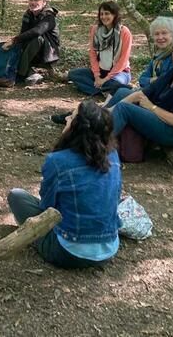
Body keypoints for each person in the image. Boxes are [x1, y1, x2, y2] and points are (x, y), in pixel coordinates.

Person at [7, 100, 122, 269]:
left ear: (75, 127)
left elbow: (48, 207)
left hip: (68, 252)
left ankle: (42, 242)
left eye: (71, 117)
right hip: (110, 247)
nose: (67, 119)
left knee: (16, 196)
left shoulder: (58, 161)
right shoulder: (113, 156)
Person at [68, 0, 132, 96]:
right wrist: (97, 76)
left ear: (115, 15)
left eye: (107, 14)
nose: (103, 17)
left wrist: (106, 79)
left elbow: (123, 60)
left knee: (114, 83)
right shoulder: (95, 29)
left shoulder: (124, 32)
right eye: (101, 14)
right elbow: (93, 53)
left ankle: (102, 89)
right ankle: (104, 91)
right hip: (101, 71)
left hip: (119, 73)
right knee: (73, 74)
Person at [1, 0, 60, 85]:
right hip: (30, 50)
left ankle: (20, 73)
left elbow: (37, 31)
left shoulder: (49, 16)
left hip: (48, 53)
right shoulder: (28, 14)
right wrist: (13, 44)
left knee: (37, 38)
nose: (33, 2)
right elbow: (23, 33)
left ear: (44, 2)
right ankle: (13, 70)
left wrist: (14, 40)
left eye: (36, 0)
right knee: (13, 44)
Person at [138, 16, 173, 90]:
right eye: (156, 34)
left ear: (172, 34)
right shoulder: (158, 55)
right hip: (150, 92)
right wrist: (151, 80)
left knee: (122, 93)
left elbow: (165, 82)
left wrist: (152, 81)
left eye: (164, 33)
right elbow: (142, 79)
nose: (160, 37)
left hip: (161, 97)